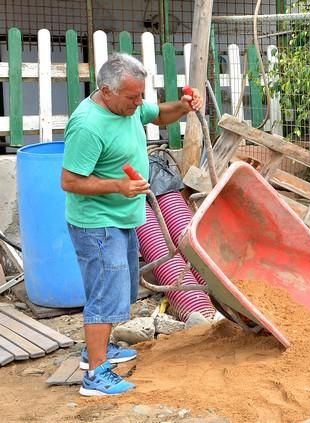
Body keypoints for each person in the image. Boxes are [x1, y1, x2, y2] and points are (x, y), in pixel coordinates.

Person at [61, 53, 202, 396]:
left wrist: (184, 107)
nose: (139, 103)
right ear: (106, 92)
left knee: (120, 290)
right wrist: (118, 186)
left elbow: (159, 114)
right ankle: (94, 375)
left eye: (140, 95)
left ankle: (97, 351)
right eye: (132, 98)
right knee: (104, 295)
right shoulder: (88, 125)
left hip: (122, 217)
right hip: (98, 223)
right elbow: (70, 181)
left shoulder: (129, 102)